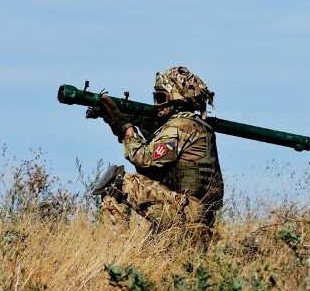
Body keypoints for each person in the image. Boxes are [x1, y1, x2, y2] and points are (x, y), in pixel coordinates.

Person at [96, 66, 224, 235]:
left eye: (161, 97)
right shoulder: (197, 126)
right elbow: (151, 171)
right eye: (155, 98)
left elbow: (143, 158)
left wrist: (126, 129)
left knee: (116, 183)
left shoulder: (182, 126)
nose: (156, 104)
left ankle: (116, 253)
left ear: (177, 99)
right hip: (192, 212)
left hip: (186, 213)